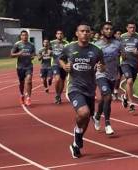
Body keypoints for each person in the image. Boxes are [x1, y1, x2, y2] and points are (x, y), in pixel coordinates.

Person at [59, 23, 105, 159]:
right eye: (82, 31)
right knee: (84, 112)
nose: (85, 33)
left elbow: (103, 65)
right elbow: (60, 59)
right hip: (74, 87)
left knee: (86, 118)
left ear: (90, 34)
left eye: (87, 31)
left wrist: (102, 67)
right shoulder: (69, 47)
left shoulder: (97, 50)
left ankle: (75, 143)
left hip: (90, 88)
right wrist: (64, 66)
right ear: (77, 33)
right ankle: (78, 135)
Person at [92, 22, 122, 135]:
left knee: (105, 98)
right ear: (102, 31)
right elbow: (92, 60)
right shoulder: (96, 45)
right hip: (101, 74)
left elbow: (122, 56)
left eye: (111, 29)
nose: (109, 31)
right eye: (106, 29)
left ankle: (97, 115)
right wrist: (96, 65)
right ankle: (108, 124)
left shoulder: (118, 43)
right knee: (108, 96)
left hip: (112, 74)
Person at [120, 21, 138, 113]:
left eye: (134, 27)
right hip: (125, 63)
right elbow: (117, 48)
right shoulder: (122, 37)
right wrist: (121, 54)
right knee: (129, 80)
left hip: (135, 63)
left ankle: (125, 97)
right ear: (127, 28)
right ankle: (131, 103)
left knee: (130, 84)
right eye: (130, 27)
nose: (132, 29)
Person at [11, 30, 35, 106]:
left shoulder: (31, 45)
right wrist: (19, 53)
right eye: (23, 35)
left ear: (28, 36)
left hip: (29, 66)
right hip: (20, 67)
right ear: (21, 36)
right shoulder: (17, 44)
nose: (24, 36)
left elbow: (33, 53)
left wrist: (32, 56)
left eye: (26, 35)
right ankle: (22, 95)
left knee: (29, 80)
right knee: (21, 83)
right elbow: (11, 54)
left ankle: (28, 98)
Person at [50, 30, 69, 104]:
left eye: (61, 34)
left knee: (62, 81)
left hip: (64, 65)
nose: (60, 35)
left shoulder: (66, 43)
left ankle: (58, 95)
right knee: (57, 79)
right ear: (56, 35)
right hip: (55, 64)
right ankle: (57, 94)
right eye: (58, 34)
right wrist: (49, 52)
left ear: (63, 35)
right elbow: (46, 49)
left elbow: (69, 53)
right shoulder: (52, 43)